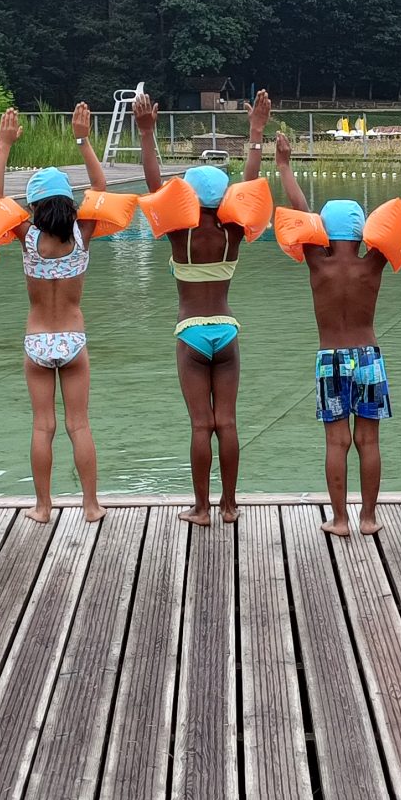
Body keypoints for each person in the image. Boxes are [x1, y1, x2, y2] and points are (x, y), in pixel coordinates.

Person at [276, 130, 401, 539]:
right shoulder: (371, 265)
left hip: (329, 359)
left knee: (336, 443)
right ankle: (368, 518)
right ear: (363, 232)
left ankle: (340, 520)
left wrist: (284, 165)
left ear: (323, 233)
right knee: (369, 440)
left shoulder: (317, 263)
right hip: (368, 357)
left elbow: (300, 207)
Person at [135, 88, 270, 525]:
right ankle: (231, 506)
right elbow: (250, 185)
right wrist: (256, 132)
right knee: (227, 422)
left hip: (190, 330)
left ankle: (202, 508)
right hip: (227, 330)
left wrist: (146, 133)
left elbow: (155, 185)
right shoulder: (233, 230)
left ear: (190, 198)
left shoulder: (182, 234)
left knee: (200, 426)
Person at [0, 105, 109, 525]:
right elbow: (101, 185)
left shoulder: (28, 237)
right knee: (79, 425)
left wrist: (3, 146)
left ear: (33, 205)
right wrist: (82, 139)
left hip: (37, 340)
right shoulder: (82, 235)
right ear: (68, 204)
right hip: (73, 338)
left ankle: (43, 507)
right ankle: (90, 506)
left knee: (43, 427)